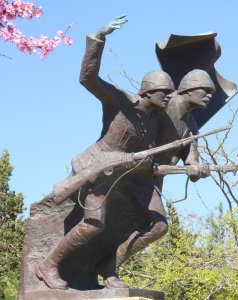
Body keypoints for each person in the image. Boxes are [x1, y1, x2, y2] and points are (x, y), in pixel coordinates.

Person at [35, 15, 175, 290]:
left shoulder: (158, 120)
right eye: (165, 93)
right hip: (99, 167)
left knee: (159, 226)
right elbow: (87, 78)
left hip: (132, 174)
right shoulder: (120, 101)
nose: (169, 98)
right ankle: (47, 264)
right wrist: (99, 38)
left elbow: (153, 154)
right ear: (148, 91)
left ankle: (109, 265)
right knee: (93, 225)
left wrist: (191, 165)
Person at [106, 69, 216, 274]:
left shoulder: (190, 123)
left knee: (151, 226)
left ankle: (110, 266)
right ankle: (108, 266)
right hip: (132, 174)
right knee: (153, 225)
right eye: (206, 91)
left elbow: (191, 156)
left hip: (151, 180)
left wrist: (197, 167)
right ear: (190, 88)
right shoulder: (163, 106)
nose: (209, 96)